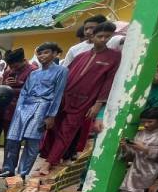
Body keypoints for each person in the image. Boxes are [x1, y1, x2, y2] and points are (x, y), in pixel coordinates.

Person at [37, 22, 121, 171]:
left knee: (67, 132)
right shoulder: (81, 55)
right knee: (53, 128)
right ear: (92, 37)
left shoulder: (114, 57)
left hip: (84, 101)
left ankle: (49, 163)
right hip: (64, 97)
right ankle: (47, 159)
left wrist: (98, 104)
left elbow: (108, 83)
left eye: (107, 37)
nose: (103, 39)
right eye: (100, 36)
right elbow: (65, 75)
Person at [0, 43, 67, 178]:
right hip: (23, 106)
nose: (42, 56)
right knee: (12, 139)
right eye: (40, 53)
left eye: (46, 52)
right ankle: (8, 169)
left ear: (54, 54)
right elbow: (24, 91)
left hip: (42, 107)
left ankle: (22, 173)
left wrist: (51, 115)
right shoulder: (34, 73)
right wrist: (19, 108)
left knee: (32, 141)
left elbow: (58, 94)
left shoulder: (61, 71)